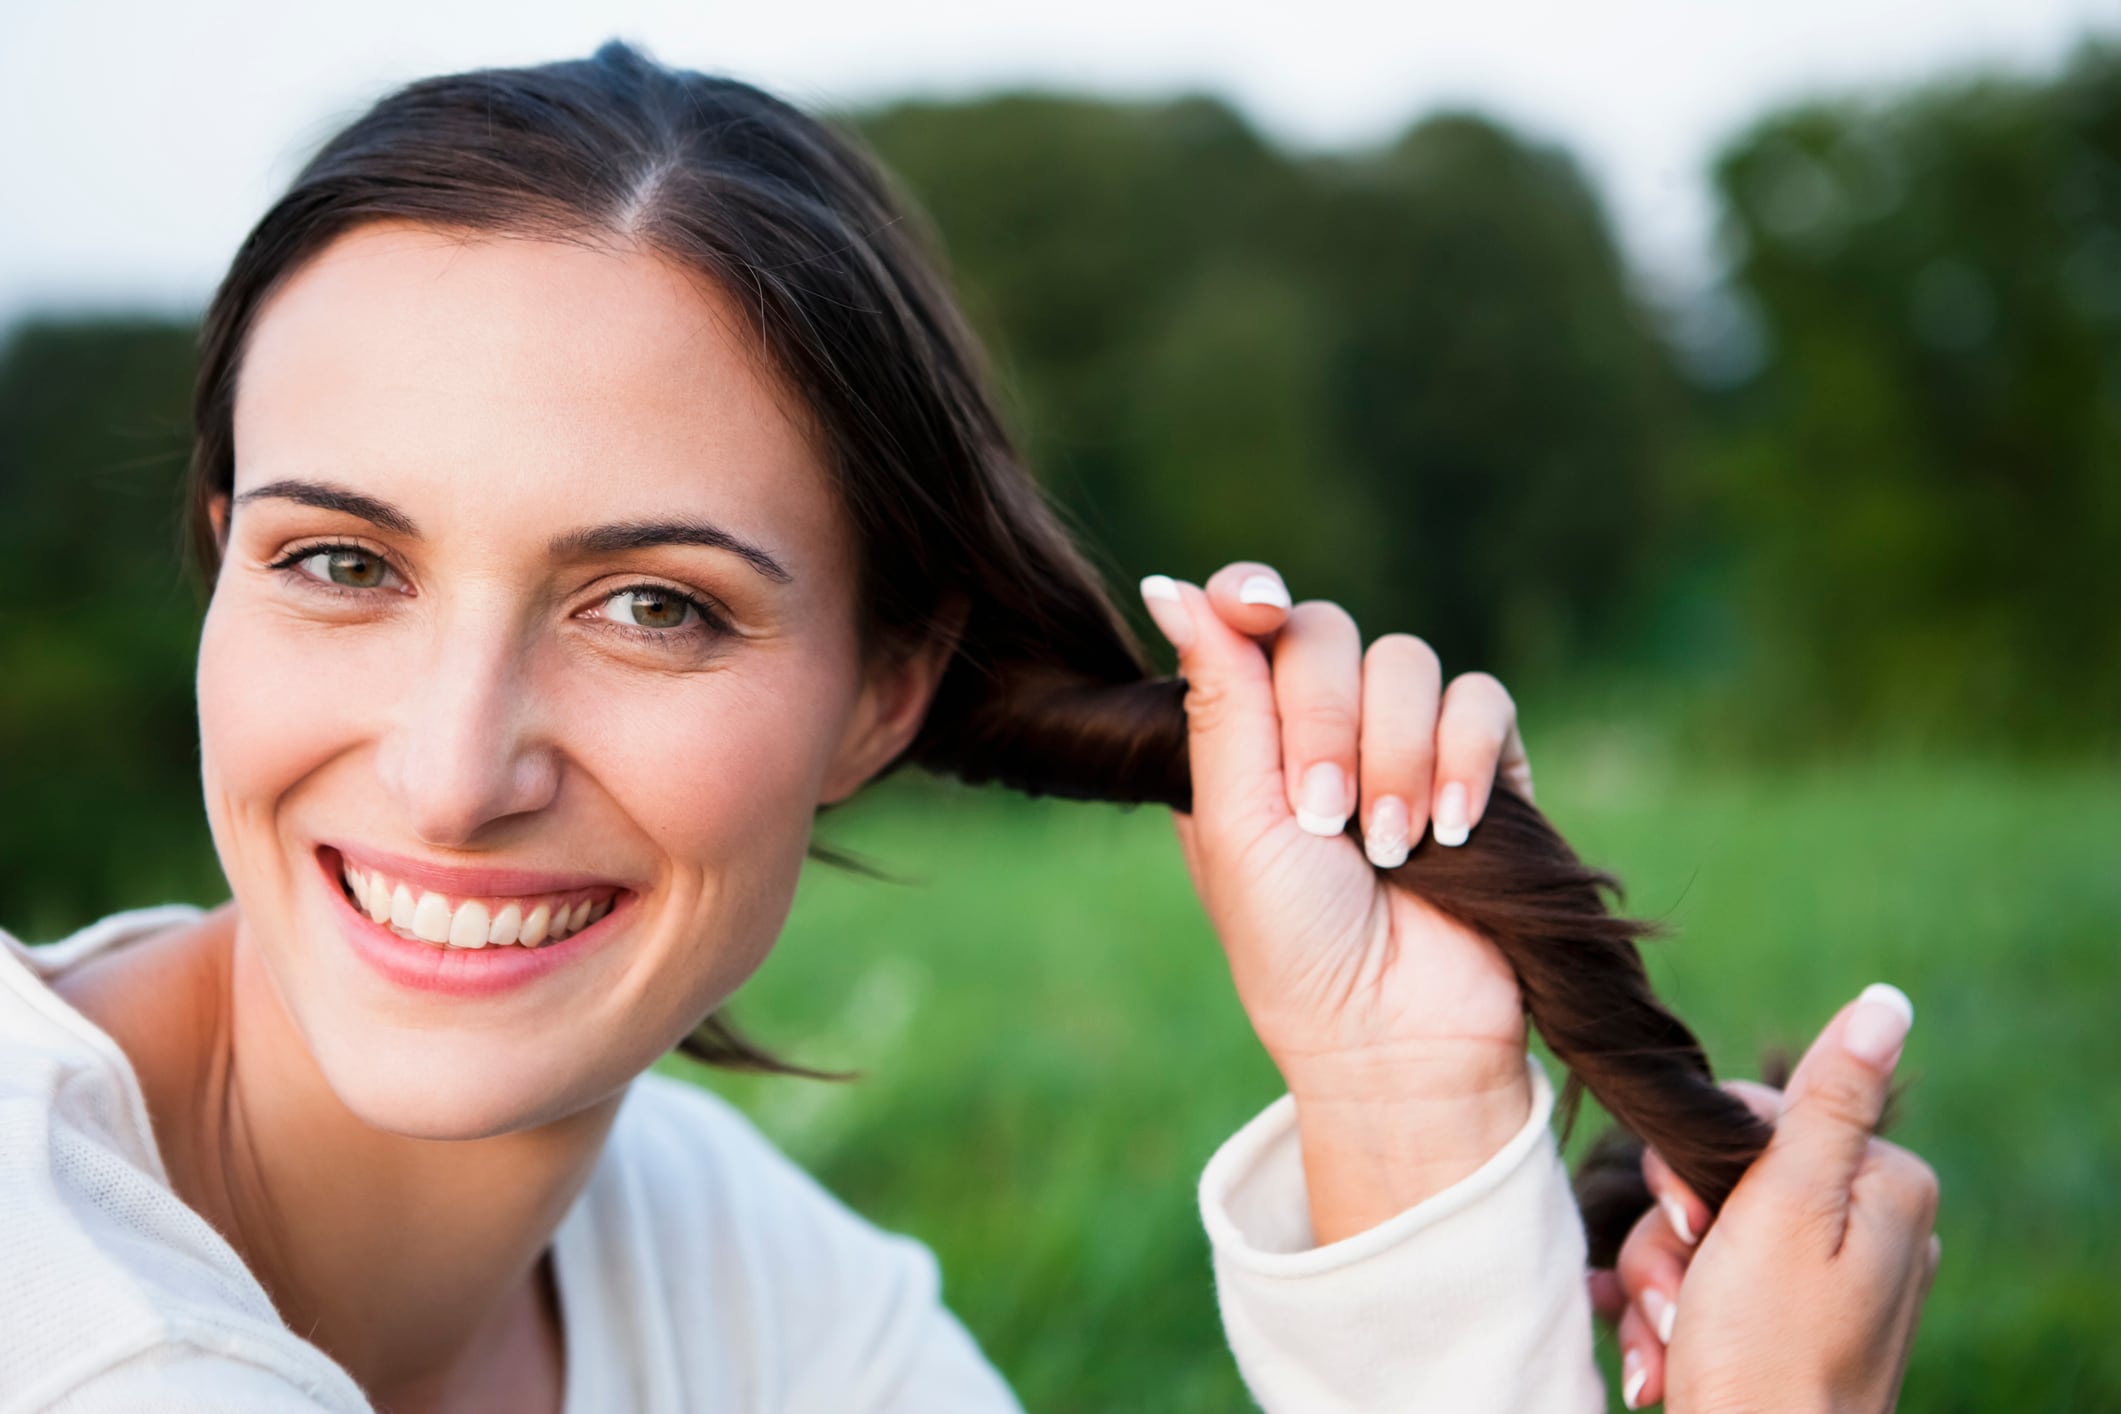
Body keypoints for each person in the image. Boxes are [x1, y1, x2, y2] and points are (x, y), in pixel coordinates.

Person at [0, 42, 1939, 1413]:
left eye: (653, 604)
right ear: (219, 560)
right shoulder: (80, 1338)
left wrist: (1403, 1111)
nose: (449, 767)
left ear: (882, 688)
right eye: (342, 562)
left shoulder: (735, 1271)